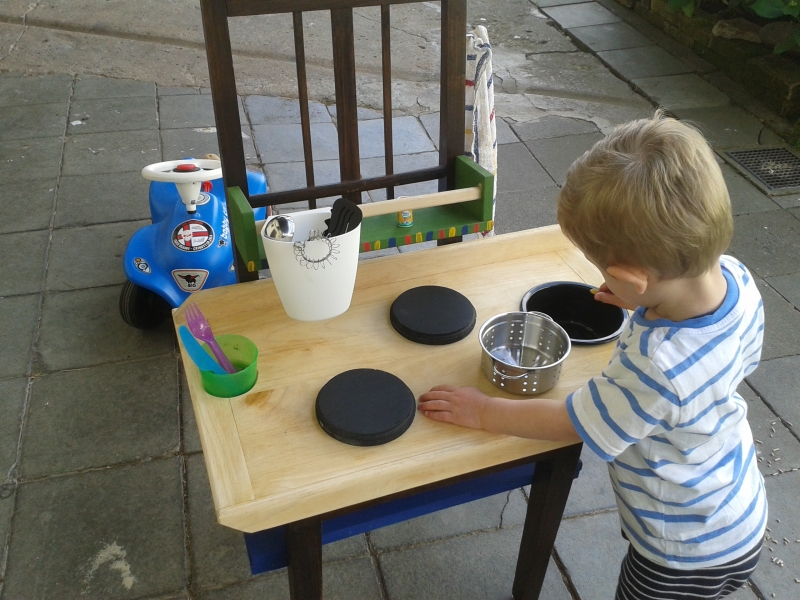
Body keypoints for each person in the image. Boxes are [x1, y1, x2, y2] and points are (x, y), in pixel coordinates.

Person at [417, 112, 766, 600]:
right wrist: (637, 298)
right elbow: (736, 361)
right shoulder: (735, 278)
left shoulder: (658, 367)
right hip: (734, 508)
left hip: (678, 551)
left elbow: (573, 422)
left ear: (632, 279)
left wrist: (483, 411)